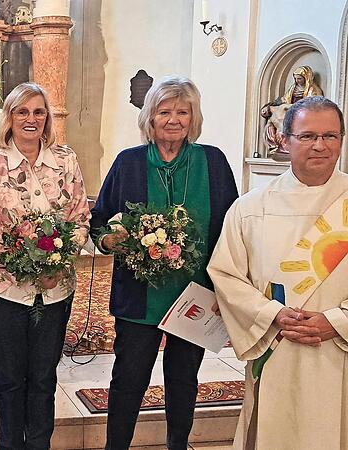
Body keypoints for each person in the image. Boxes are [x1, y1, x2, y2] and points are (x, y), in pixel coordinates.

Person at [89, 76, 238, 450]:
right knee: (129, 380)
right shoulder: (129, 162)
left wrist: (231, 287)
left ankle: (178, 445)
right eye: (164, 111)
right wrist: (108, 240)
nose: (174, 119)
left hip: (198, 294)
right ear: (150, 118)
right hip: (140, 297)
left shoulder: (214, 162)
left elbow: (233, 227)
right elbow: (99, 219)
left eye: (183, 112)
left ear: (193, 118)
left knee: (184, 379)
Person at [208, 96, 348, 450]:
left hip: (340, 352)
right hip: (277, 345)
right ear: (284, 140)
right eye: (307, 136)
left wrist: (337, 321)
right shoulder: (251, 208)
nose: (320, 145)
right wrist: (273, 314)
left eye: (331, 136)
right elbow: (226, 275)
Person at [0, 82, 90, 449]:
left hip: (56, 291)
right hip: (2, 291)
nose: (31, 119)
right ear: (9, 118)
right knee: (8, 378)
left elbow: (81, 218)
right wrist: (26, 267)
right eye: (22, 111)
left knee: (43, 377)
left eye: (38, 112)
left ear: (47, 118)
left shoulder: (66, 160)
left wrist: (58, 261)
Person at [260, 65, 323, 157]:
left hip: (303, 114)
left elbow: (312, 105)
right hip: (290, 111)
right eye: (296, 79)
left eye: (300, 79)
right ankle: (276, 146)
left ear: (306, 78)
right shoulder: (293, 88)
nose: (297, 81)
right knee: (270, 125)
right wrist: (273, 106)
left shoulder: (313, 90)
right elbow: (284, 100)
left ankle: (288, 147)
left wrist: (290, 107)